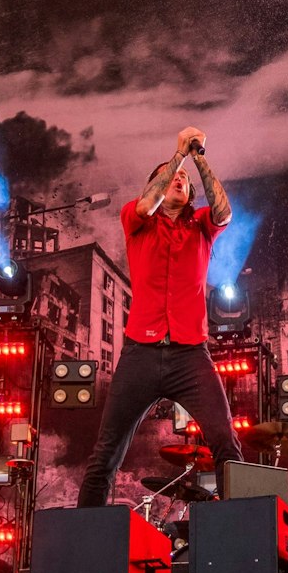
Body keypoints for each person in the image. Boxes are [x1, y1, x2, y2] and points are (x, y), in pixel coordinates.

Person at [78, 126, 246, 506]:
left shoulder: (201, 225)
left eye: (185, 180)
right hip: (141, 352)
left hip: (190, 354)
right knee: (106, 453)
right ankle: (87, 547)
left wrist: (198, 157)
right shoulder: (136, 221)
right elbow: (143, 205)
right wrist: (178, 158)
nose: (179, 180)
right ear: (156, 185)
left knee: (225, 441)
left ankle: (242, 534)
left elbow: (224, 212)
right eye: (172, 177)